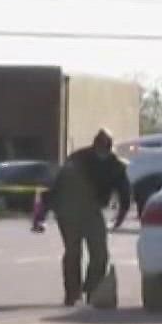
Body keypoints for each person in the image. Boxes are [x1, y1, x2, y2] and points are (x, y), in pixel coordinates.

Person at [47, 129, 134, 307]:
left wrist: (121, 216)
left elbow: (124, 192)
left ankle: (92, 289)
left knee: (100, 253)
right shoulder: (77, 159)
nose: (102, 151)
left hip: (93, 210)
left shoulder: (115, 165)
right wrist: (44, 211)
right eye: (99, 147)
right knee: (73, 252)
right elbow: (57, 185)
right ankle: (72, 293)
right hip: (68, 210)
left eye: (105, 148)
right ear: (94, 145)